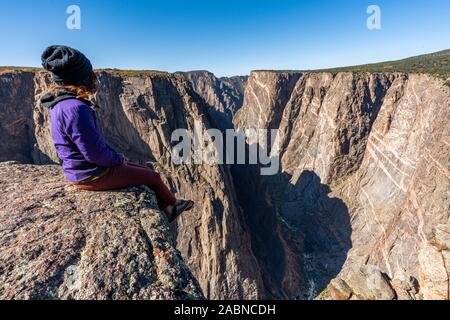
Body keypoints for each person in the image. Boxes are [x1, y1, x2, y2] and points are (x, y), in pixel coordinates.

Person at [40, 45, 193, 222]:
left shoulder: (61, 104)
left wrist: (118, 158)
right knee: (152, 176)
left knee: (146, 169)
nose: (93, 78)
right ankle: (172, 207)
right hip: (90, 174)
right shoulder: (75, 109)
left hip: (83, 169)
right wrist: (118, 159)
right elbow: (94, 153)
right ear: (80, 78)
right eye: (89, 74)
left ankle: (168, 205)